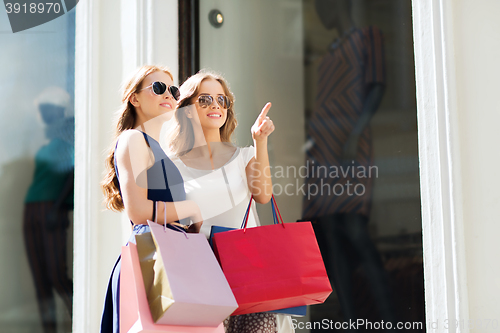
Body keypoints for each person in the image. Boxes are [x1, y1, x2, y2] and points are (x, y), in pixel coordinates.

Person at [168, 71, 293, 333]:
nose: (215, 105)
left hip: (251, 271)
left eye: (221, 100)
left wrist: (260, 142)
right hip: (203, 275)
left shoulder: (244, 156)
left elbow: (263, 195)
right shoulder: (173, 167)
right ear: (188, 110)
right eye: (204, 99)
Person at [100, 65, 203, 333]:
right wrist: (189, 208)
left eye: (173, 90)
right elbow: (138, 212)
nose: (168, 94)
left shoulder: (154, 147)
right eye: (158, 88)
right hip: (151, 263)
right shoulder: (134, 139)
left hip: (163, 260)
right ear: (134, 98)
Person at [23, 86, 74, 333]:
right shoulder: (49, 140)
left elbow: (72, 175)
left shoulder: (69, 138)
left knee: (57, 275)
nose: (41, 113)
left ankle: (82, 321)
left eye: (45, 108)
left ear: (57, 110)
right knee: (40, 280)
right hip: (32, 209)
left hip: (50, 208)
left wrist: (57, 206)